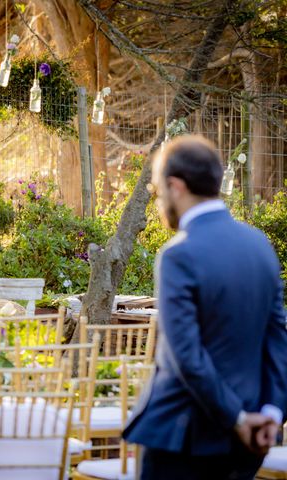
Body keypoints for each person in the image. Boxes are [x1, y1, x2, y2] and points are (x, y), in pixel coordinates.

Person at [123, 135, 287, 479]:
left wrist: (236, 419)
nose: (158, 201)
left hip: (183, 436)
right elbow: (278, 340)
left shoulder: (178, 254)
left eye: (157, 191)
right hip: (246, 445)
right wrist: (271, 412)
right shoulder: (260, 247)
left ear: (175, 186)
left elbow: (187, 354)